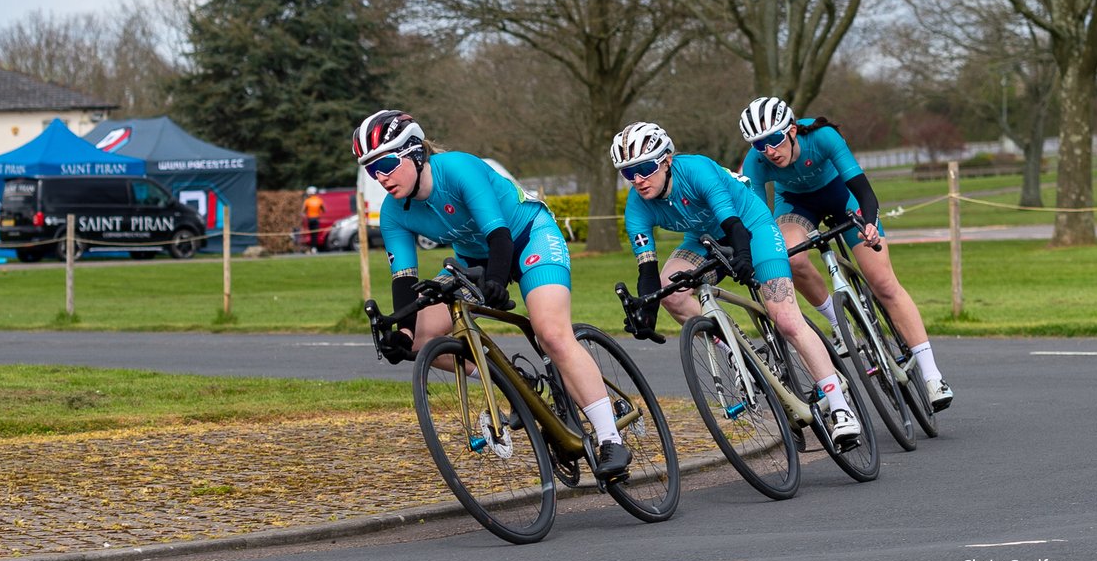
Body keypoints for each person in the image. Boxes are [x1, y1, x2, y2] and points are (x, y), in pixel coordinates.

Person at [353, 109, 632, 477]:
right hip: (474, 258)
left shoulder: (458, 169)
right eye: (373, 170)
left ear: (416, 152)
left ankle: (611, 438)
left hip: (527, 236)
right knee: (420, 341)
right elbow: (404, 279)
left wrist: (497, 282)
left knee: (550, 332)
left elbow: (498, 234)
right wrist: (401, 332)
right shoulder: (393, 212)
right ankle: (516, 384)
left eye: (387, 163)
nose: (382, 177)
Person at [614, 121, 862, 446]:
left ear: (666, 160)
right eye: (627, 173)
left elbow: (734, 227)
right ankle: (735, 346)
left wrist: (743, 259)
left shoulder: (697, 170)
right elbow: (647, 270)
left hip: (750, 226)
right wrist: (647, 312)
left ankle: (841, 408)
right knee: (670, 290)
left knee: (786, 318)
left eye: (644, 168)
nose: (637, 180)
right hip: (701, 239)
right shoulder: (636, 204)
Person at [738, 96, 953, 411]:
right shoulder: (757, 162)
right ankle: (838, 323)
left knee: (883, 283)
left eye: (774, 139)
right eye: (759, 144)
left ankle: (932, 375)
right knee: (792, 257)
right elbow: (758, 218)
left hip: (843, 197)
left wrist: (868, 224)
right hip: (797, 206)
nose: (769, 150)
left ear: (792, 130)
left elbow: (864, 190)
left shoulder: (822, 136)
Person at [302, 186, 324, 253]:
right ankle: (314, 248)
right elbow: (323, 210)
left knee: (311, 234)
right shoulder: (319, 200)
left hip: (310, 219)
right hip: (316, 219)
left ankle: (312, 247)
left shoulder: (307, 201)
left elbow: (303, 211)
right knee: (315, 235)